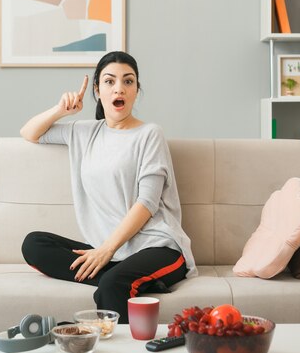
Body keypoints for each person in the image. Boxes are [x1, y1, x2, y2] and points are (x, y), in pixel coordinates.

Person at [20, 51, 196, 323]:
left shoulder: (150, 134)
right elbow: (29, 132)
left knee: (112, 284)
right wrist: (61, 110)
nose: (119, 88)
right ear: (97, 90)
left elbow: (147, 203)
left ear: (137, 90)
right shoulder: (84, 132)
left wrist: (106, 250)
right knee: (34, 243)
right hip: (111, 253)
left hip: (157, 247)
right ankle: (132, 279)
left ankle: (121, 280)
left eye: (128, 81)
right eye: (110, 81)